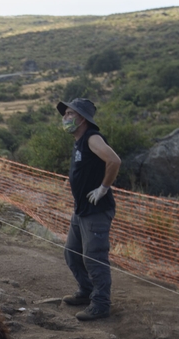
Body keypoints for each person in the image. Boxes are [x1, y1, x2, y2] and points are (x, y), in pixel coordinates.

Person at [57, 98, 121, 321]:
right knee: (72, 253)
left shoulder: (92, 138)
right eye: (64, 114)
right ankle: (86, 292)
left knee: (94, 257)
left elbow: (114, 160)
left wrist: (103, 188)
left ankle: (101, 303)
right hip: (82, 209)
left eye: (69, 114)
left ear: (82, 118)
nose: (65, 118)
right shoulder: (79, 140)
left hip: (96, 210)